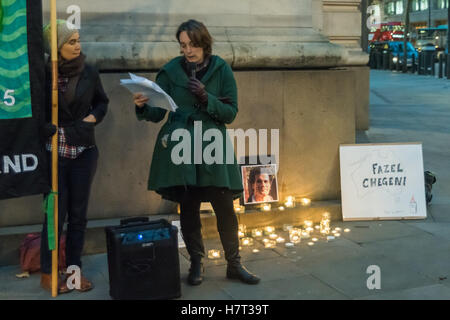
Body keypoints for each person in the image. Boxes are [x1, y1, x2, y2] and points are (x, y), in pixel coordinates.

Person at [133, 19, 260, 285]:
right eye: (183, 45)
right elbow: (158, 112)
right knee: (188, 206)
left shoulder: (221, 69)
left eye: (193, 44)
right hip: (181, 145)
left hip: (212, 143)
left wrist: (206, 98)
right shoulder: (170, 72)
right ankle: (196, 264)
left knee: (224, 205)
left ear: (204, 43)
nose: (188, 50)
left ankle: (234, 264)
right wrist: (143, 105)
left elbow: (230, 113)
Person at [40, 20, 109, 293]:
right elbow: (36, 113)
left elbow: (102, 102)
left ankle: (73, 272)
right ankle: (48, 272)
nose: (78, 45)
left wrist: (92, 119)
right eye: (71, 41)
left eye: (78, 39)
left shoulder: (89, 71)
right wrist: (46, 128)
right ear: (56, 47)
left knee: (78, 216)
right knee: (54, 215)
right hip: (54, 154)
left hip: (83, 152)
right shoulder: (44, 74)